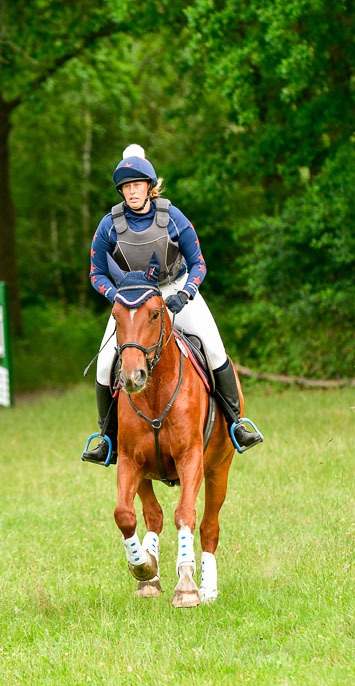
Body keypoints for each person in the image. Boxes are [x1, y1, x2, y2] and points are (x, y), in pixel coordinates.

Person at [82, 144, 263, 466]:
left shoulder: (172, 217)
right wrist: (116, 298)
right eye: (126, 187)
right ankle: (107, 439)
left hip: (175, 289)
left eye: (137, 185)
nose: (131, 192)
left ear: (150, 187)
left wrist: (187, 293)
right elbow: (96, 273)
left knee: (214, 349)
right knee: (105, 362)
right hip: (132, 301)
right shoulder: (108, 225)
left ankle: (236, 424)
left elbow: (199, 264)